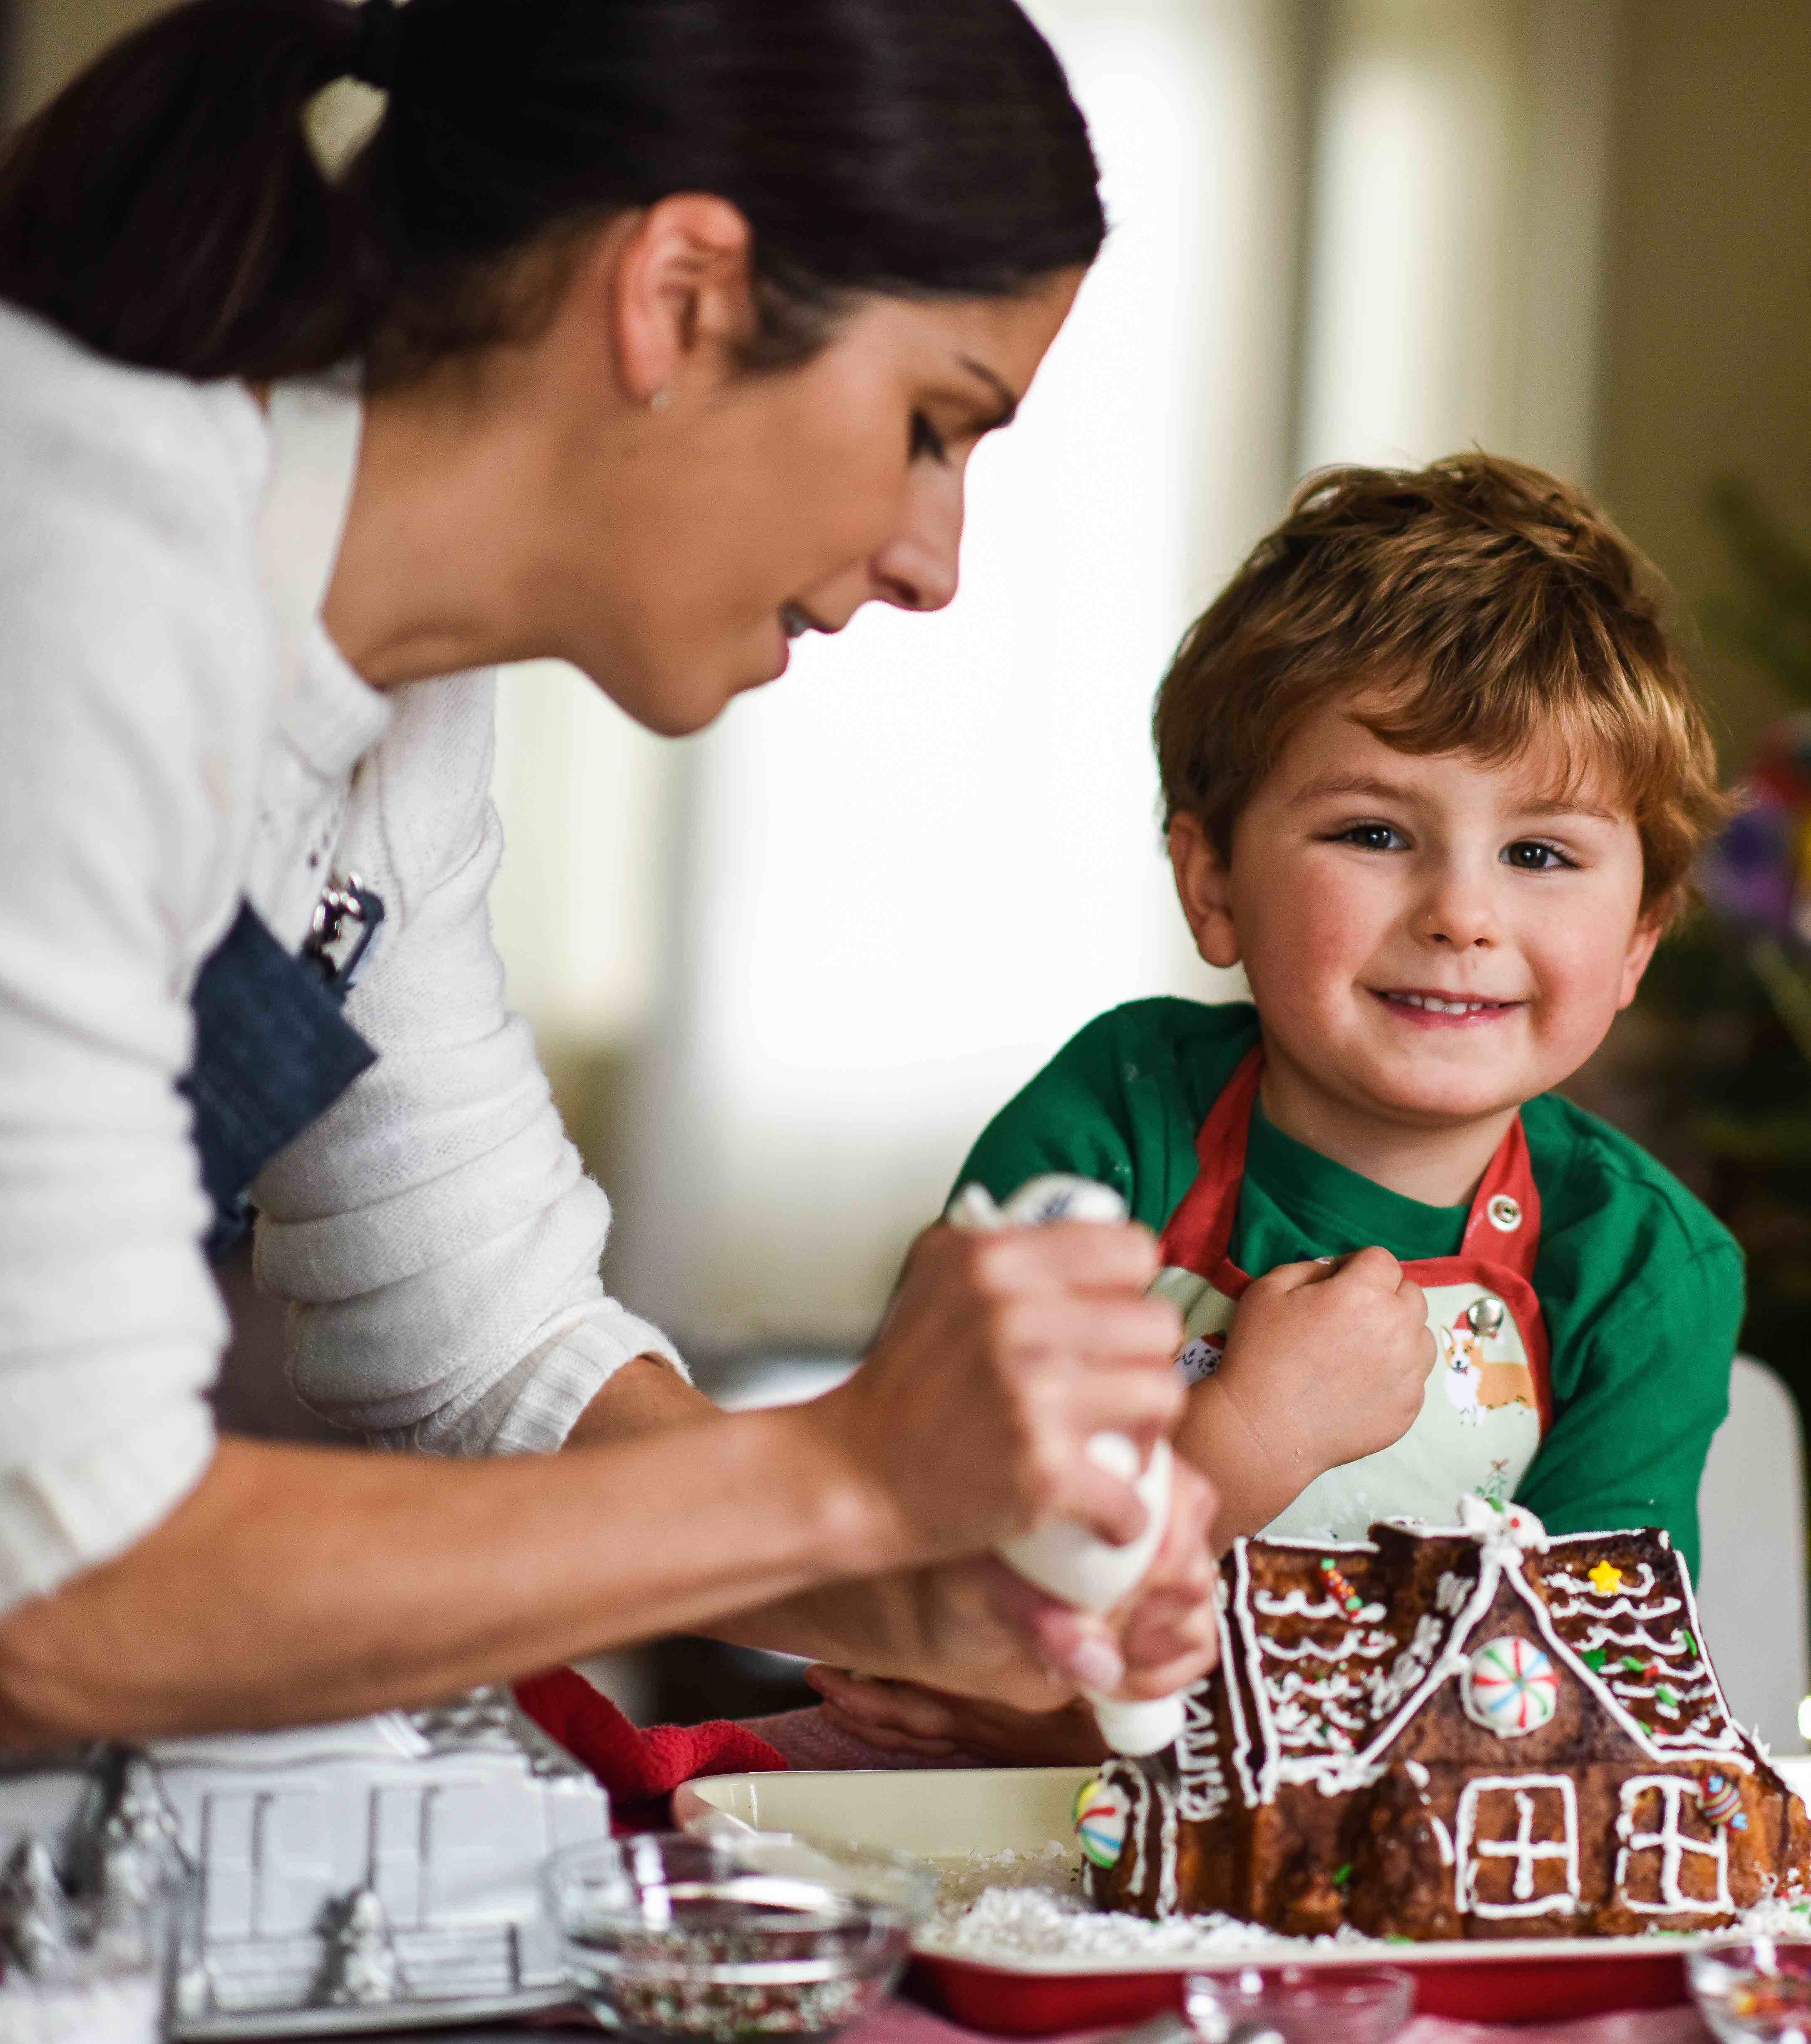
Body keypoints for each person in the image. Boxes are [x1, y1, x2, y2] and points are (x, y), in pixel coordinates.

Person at [0, 0, 1218, 1739]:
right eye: (936, 427)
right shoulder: (76, 580)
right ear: (681, 299)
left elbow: (482, 1345)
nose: (934, 562)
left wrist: (928, 1593)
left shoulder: (392, 717)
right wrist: (845, 1479)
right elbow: (61, 1574)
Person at [815, 456, 1745, 1760]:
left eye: (1540, 855)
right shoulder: (1113, 1125)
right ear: (1213, 883)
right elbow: (943, 1562)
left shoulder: (1645, 1272)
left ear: (1641, 937)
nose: (1463, 915)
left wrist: (1070, 1713)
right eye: (1374, 833)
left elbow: (1566, 1719)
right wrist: (1252, 1435)